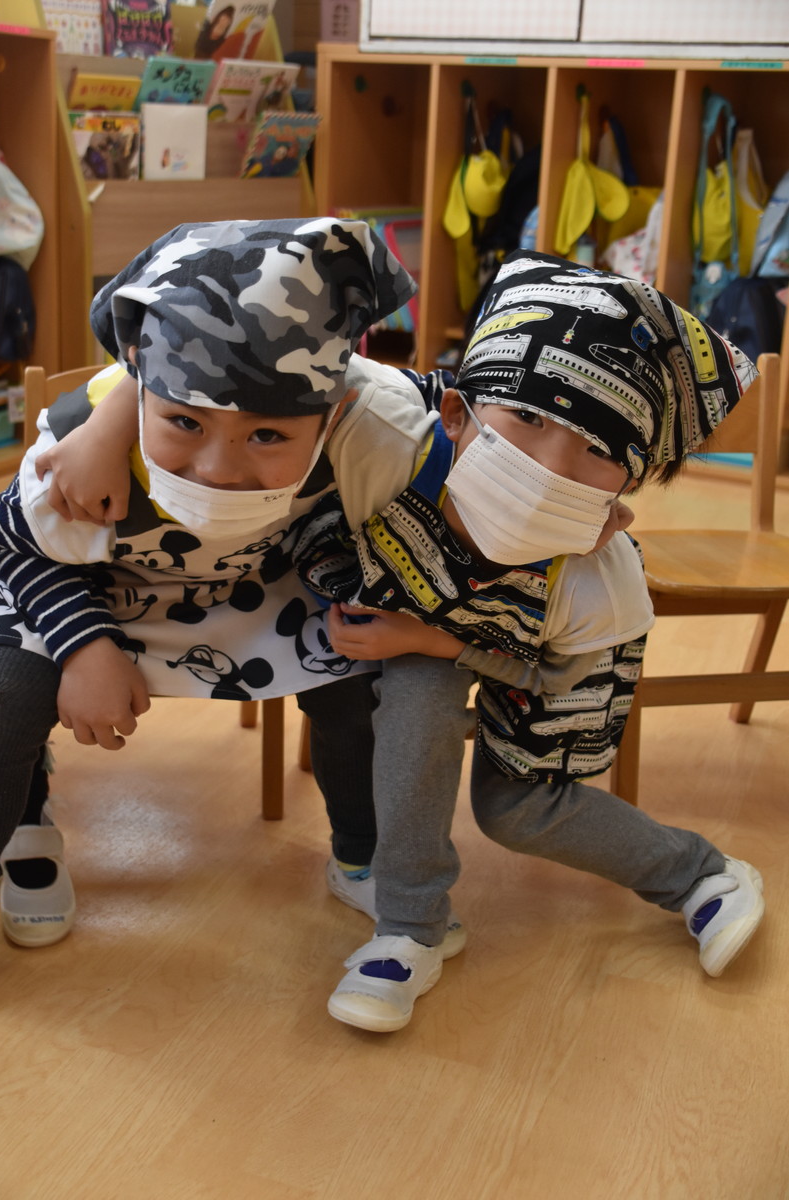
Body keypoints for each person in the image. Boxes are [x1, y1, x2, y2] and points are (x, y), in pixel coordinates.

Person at [290, 252, 766, 1031]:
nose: (549, 468)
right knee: (414, 694)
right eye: (529, 420)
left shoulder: (599, 584)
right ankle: (409, 928)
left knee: (515, 809)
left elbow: (552, 678)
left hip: (540, 651)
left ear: (627, 485)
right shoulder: (381, 440)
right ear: (455, 414)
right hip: (408, 613)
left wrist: (446, 645)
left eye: (598, 450)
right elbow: (248, 374)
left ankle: (700, 875)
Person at [0, 217, 437, 949]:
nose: (217, 470)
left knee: (360, 679)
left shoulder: (369, 420)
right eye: (184, 424)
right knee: (5, 696)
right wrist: (83, 645)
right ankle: (22, 820)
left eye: (267, 435)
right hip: (76, 587)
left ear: (334, 415)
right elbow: (12, 545)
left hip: (252, 591)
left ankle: (362, 849)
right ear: (140, 388)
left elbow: (470, 414)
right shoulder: (83, 443)